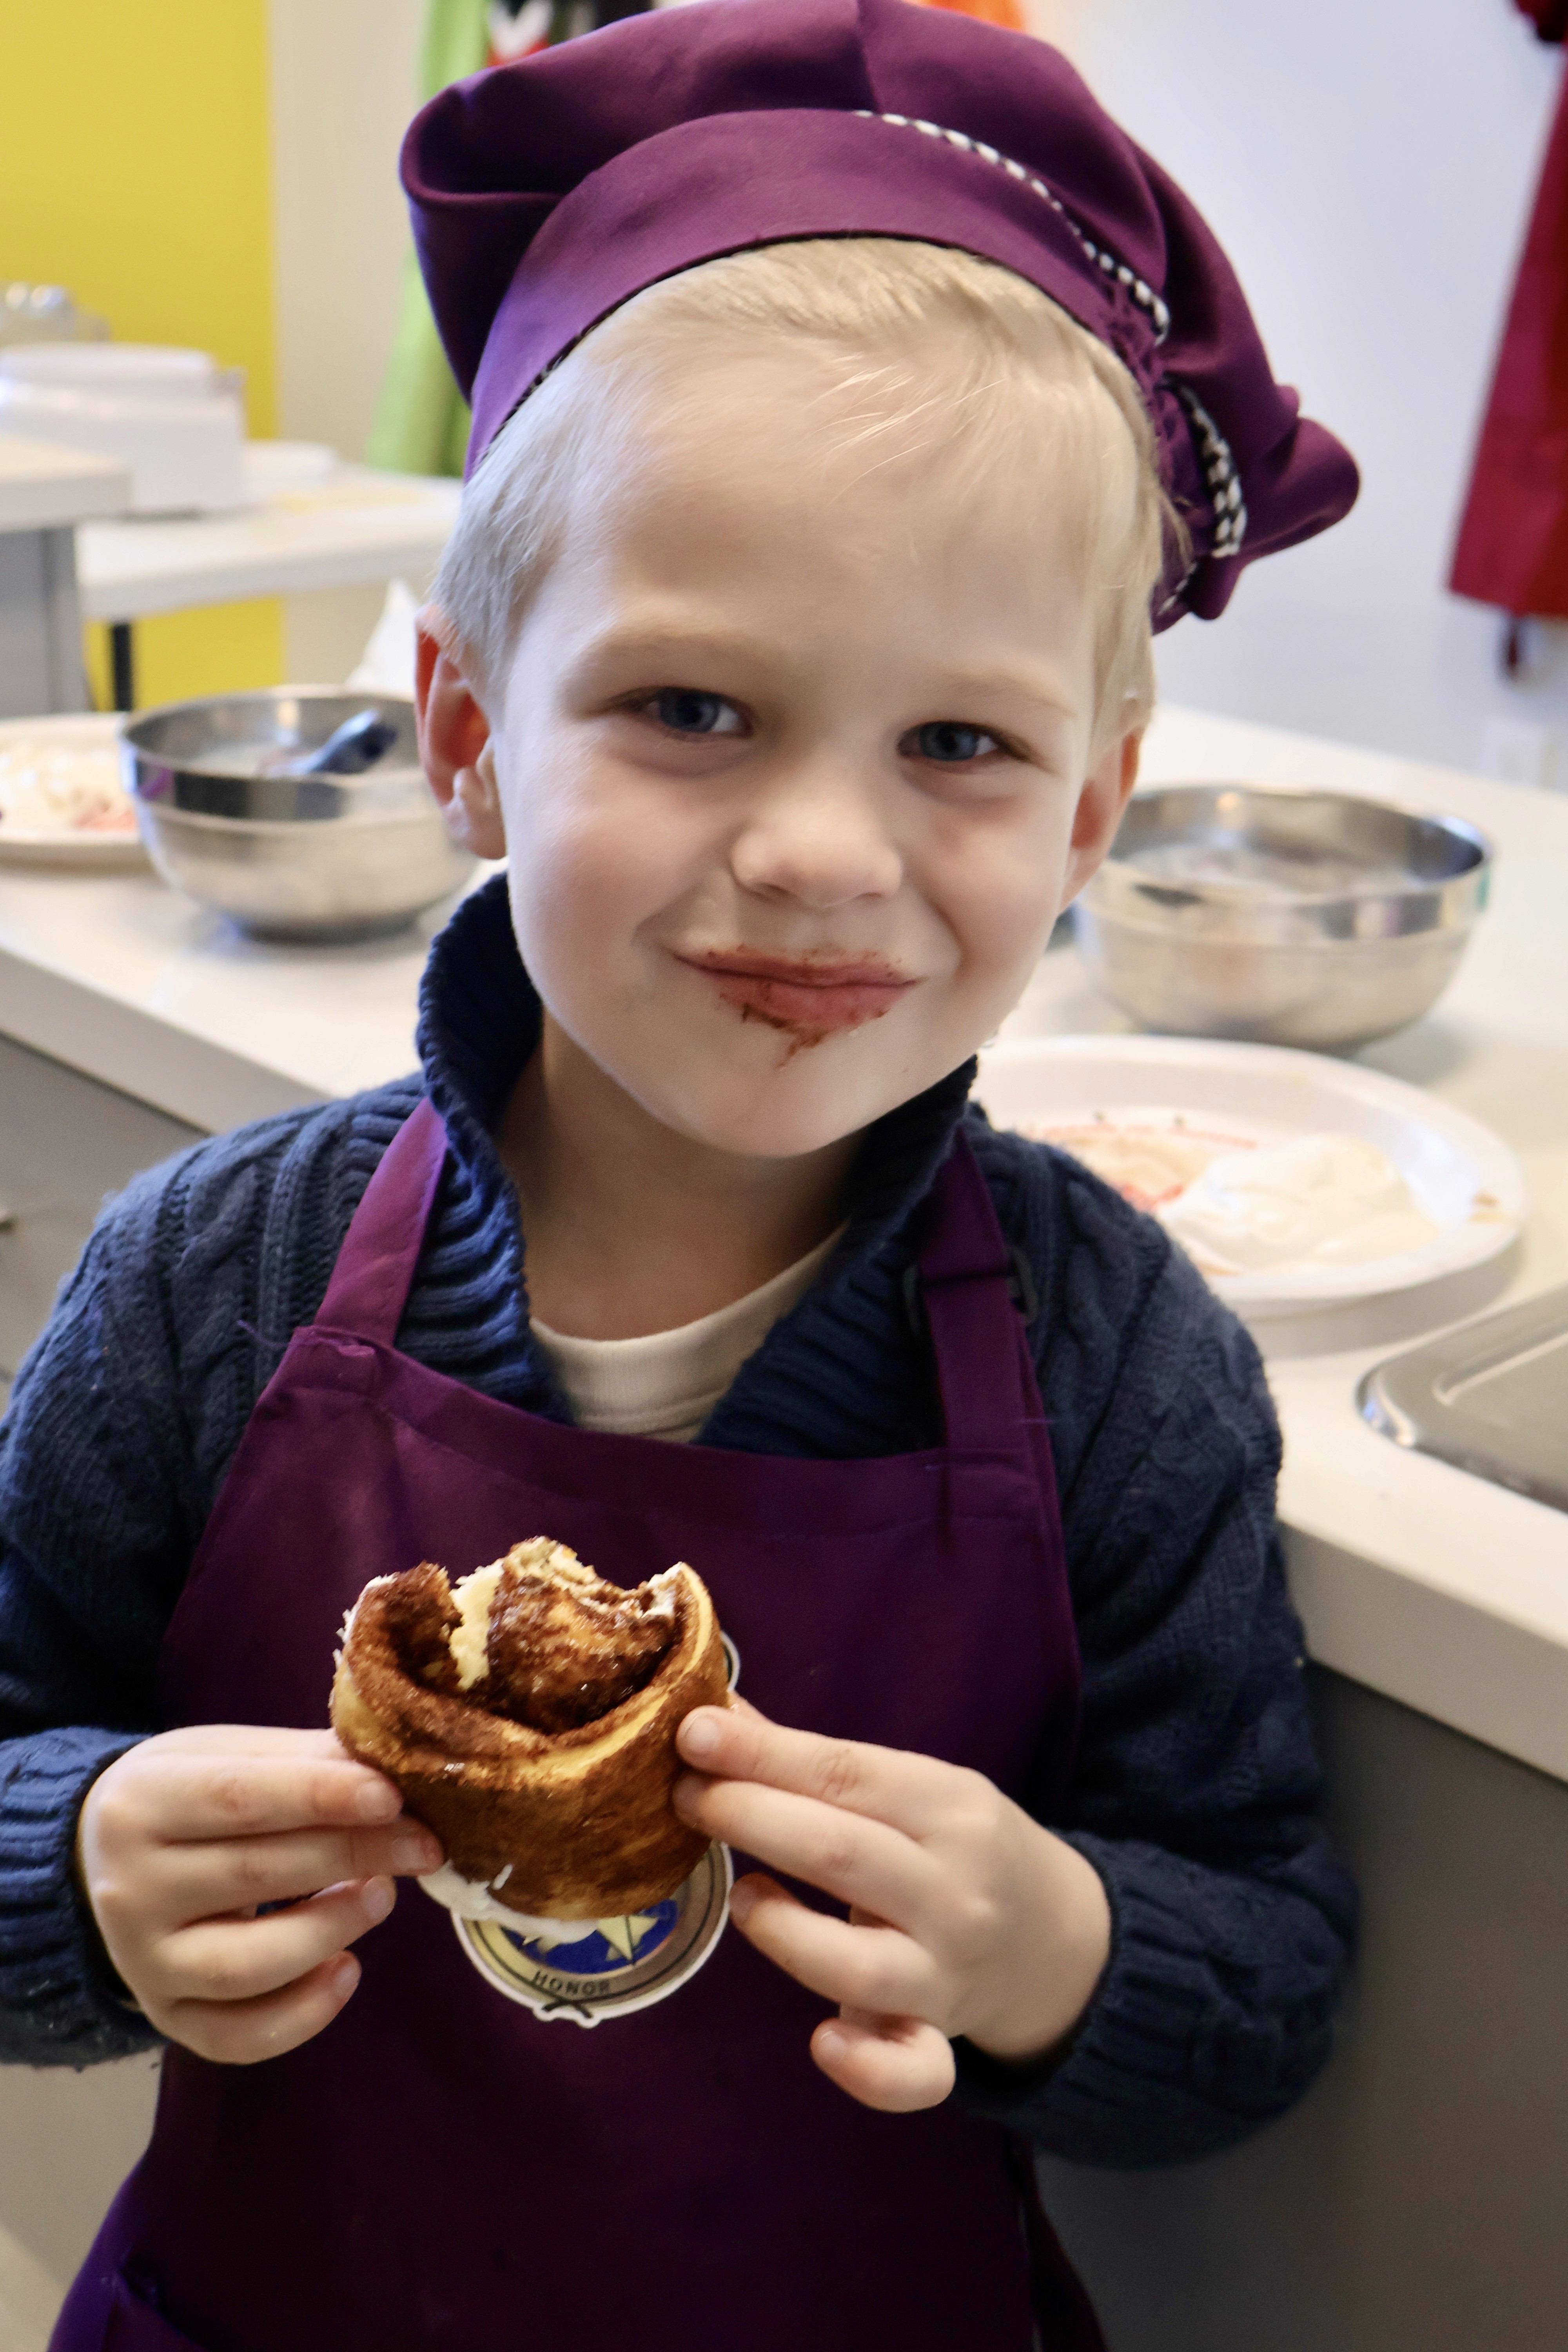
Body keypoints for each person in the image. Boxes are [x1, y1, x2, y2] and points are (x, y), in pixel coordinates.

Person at [1, 4, 1360, 2347]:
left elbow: (1261, 1969)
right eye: (691, 708)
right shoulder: (210, 1286)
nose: (821, 854)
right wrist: (70, 1870)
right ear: (465, 736)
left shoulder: (1118, 1362)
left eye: (960, 742)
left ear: (1096, 809)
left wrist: (1071, 1954)